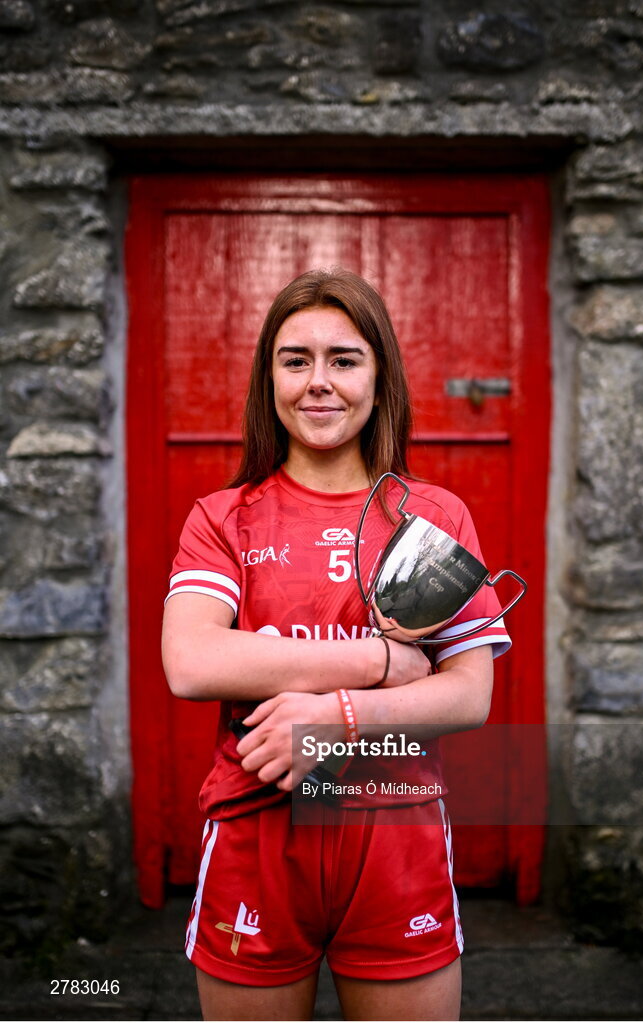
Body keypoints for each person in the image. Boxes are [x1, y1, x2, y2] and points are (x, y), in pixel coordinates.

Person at [161, 268, 511, 1021]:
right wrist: (380, 662)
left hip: (395, 833)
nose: (318, 383)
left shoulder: (432, 515)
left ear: (380, 378)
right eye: (295, 360)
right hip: (258, 830)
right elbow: (191, 662)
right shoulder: (223, 518)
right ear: (270, 380)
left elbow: (469, 693)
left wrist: (334, 720)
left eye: (344, 359)